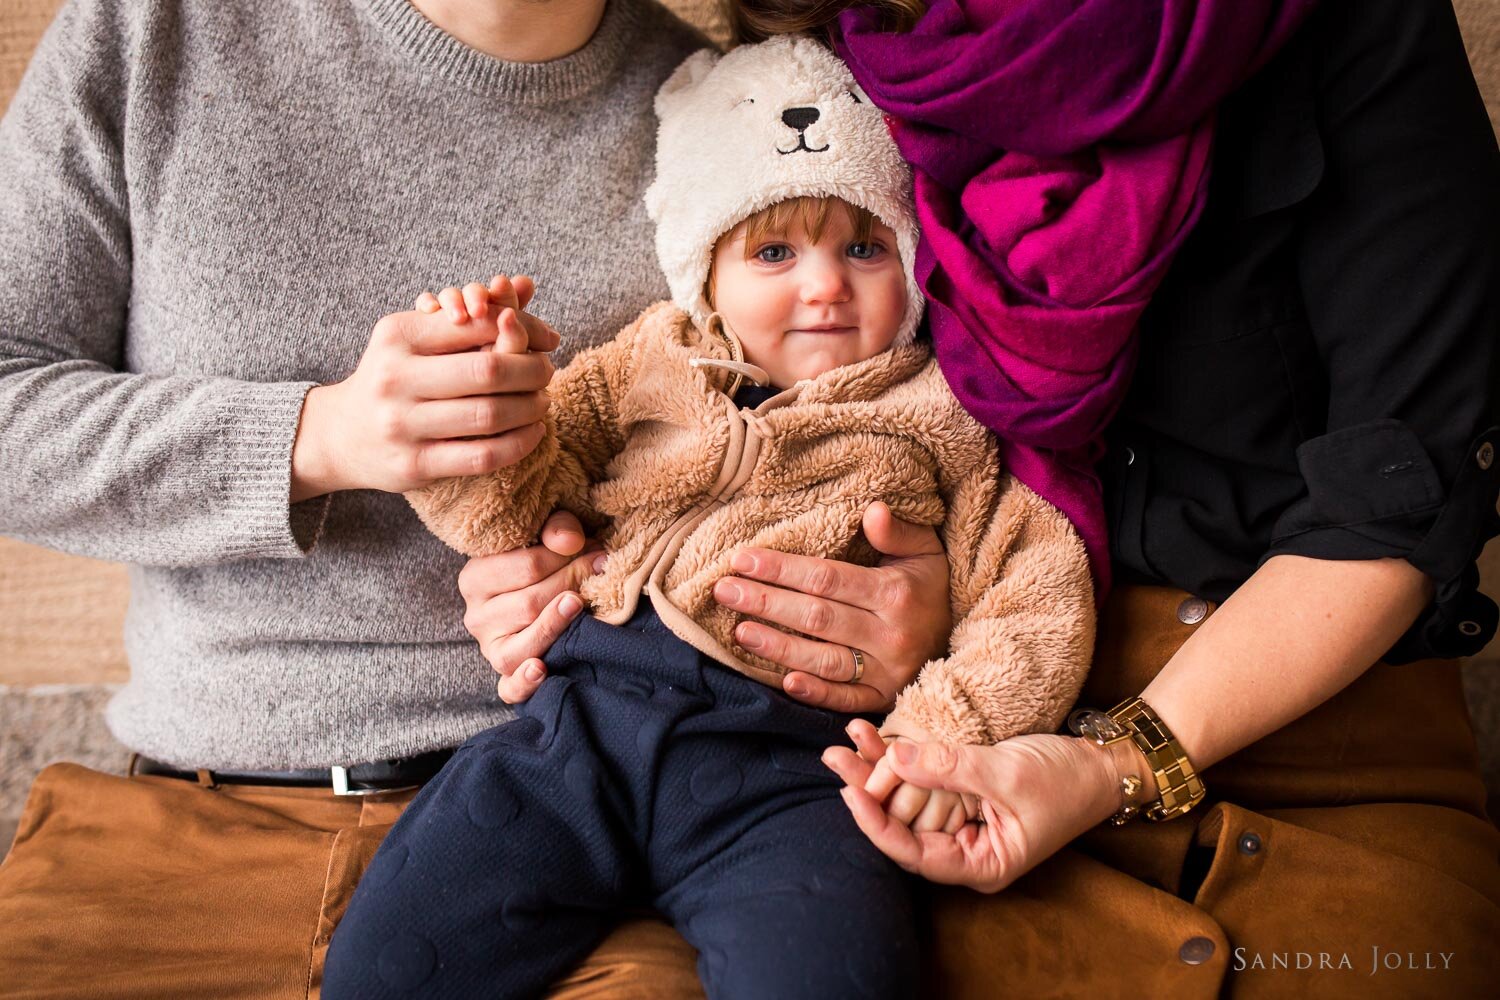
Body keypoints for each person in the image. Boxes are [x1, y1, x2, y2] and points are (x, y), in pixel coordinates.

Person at [484, 0, 1500, 994]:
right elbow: (732, 411)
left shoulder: (1344, 23)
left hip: (1306, 749)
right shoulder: (846, 43)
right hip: (918, 769)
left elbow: (1395, 503)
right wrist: (550, 565)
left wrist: (1110, 759)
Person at [0, 2, 957, 996]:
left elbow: (866, 437)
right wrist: (320, 436)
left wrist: (912, 621)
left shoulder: (730, 112)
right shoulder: (153, 32)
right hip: (200, 823)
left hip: (597, 815)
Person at [321, 36, 1093, 998]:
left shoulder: (942, 413)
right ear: (705, 275)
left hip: (791, 772)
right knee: (390, 960)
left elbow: (1036, 585)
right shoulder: (645, 363)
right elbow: (518, 507)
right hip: (577, 732)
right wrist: (495, 395)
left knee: (837, 976)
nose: (823, 285)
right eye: (774, 251)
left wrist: (940, 740)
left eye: (865, 247)